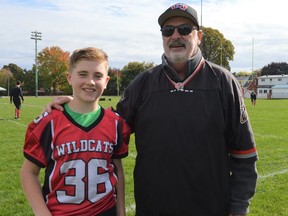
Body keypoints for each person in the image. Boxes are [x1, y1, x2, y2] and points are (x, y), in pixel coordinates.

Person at [44, 3, 258, 216]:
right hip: (152, 208)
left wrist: (238, 208)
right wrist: (77, 102)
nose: (175, 36)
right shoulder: (143, 83)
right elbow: (110, 126)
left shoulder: (222, 82)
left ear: (199, 36)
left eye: (184, 29)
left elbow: (244, 155)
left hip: (211, 208)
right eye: (168, 30)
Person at [20, 47, 130, 216]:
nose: (91, 82)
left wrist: (121, 212)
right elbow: (29, 172)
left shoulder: (115, 123)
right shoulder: (48, 123)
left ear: (106, 81)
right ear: (70, 78)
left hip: (105, 210)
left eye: (98, 76)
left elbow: (118, 170)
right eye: (83, 74)